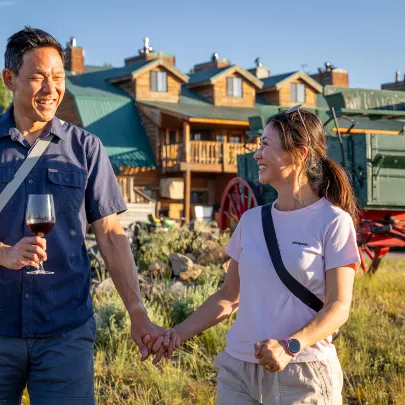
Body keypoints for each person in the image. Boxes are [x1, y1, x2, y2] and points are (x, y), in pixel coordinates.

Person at [0, 27, 163, 405]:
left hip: (66, 330)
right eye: (38, 77)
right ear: (10, 79)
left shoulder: (87, 148)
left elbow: (110, 235)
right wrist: (4, 253)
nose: (51, 89)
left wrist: (137, 312)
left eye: (58, 77)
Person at [151, 107, 360, 405]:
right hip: (238, 372)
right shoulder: (251, 220)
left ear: (299, 154)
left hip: (303, 373)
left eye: (265, 145)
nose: (256, 154)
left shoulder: (333, 221)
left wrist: (289, 347)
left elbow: (339, 307)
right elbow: (228, 296)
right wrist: (176, 334)